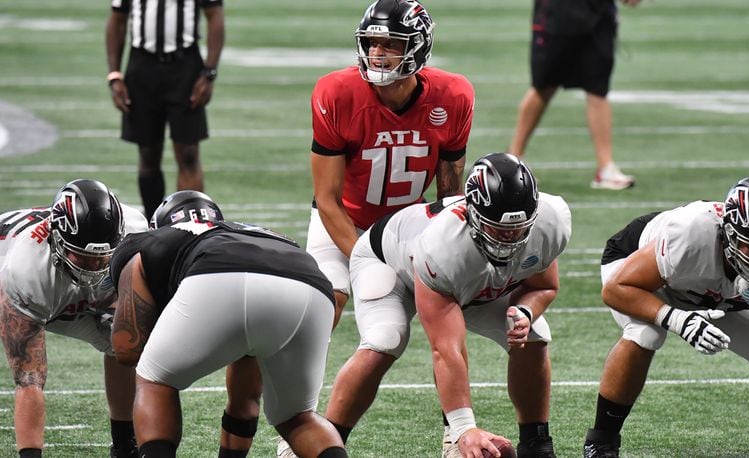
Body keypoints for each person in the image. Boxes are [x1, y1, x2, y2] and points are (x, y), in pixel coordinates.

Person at [317, 153, 571, 457]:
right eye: (499, 230)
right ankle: (322, 441)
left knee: (534, 335)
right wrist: (465, 428)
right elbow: (445, 348)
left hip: (465, 278)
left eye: (518, 230)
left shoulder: (550, 221)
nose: (510, 239)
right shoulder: (444, 245)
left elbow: (543, 285)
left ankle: (537, 444)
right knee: (385, 339)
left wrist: (526, 311)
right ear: (472, 213)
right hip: (388, 262)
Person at [583, 176, 749, 458]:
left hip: (719, 293)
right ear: (729, 233)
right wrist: (678, 320)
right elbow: (617, 289)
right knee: (646, 334)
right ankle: (602, 441)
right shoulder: (691, 233)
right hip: (649, 279)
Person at [108, 193, 347, 458]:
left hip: (219, 272)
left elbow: (126, 349)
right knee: (298, 418)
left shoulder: (148, 241)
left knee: (155, 381)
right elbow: (245, 398)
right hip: (313, 287)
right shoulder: (252, 233)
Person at [307, 0, 475, 328]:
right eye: (372, 43)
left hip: (406, 225)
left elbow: (449, 197)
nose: (377, 53)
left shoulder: (452, 96)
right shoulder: (337, 93)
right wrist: (368, 258)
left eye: (391, 44)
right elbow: (327, 200)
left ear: (418, 47)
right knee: (327, 299)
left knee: (424, 317)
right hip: (344, 219)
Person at [0, 179, 148, 458]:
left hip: (61, 287)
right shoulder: (26, 269)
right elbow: (29, 382)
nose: (94, 268)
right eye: (83, 258)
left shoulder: (135, 230)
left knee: (125, 341)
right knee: (29, 375)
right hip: (28, 288)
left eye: (101, 258)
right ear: (57, 239)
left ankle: (125, 445)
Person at [105, 0, 225, 219]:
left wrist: (209, 72)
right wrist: (114, 75)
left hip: (185, 66)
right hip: (142, 66)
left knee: (188, 152)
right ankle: (153, 225)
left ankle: (193, 226)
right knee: (148, 153)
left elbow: (215, 15)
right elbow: (117, 19)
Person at [508, 0, 641, 190]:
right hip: (558, 12)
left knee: (598, 89)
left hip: (598, 13)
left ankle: (606, 167)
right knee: (544, 85)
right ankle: (514, 160)